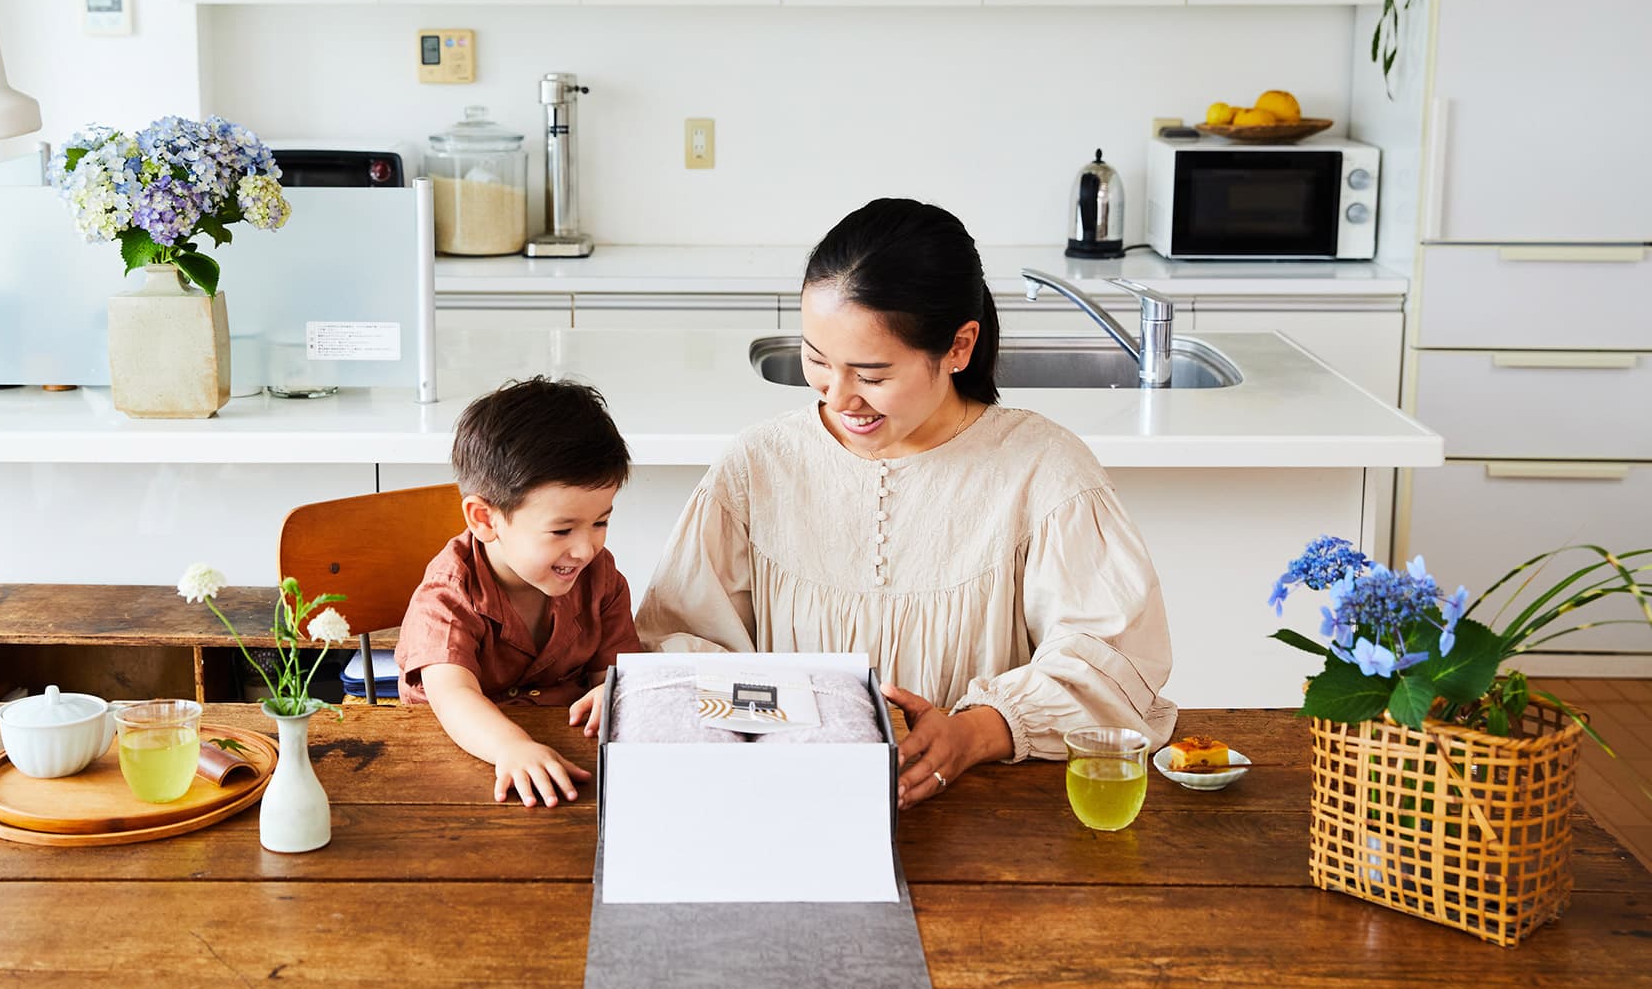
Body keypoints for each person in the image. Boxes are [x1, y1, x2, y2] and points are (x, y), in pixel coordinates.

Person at [635, 198, 1176, 808]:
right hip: (793, 803)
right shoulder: (759, 464)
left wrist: (974, 733)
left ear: (959, 347)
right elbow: (677, 642)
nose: (840, 396)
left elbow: (1112, 661)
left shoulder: (1043, 469)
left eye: (871, 375)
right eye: (816, 359)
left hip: (994, 812)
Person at [396, 377, 642, 808]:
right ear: (485, 520)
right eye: (562, 530)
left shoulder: (599, 577)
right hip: (452, 772)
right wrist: (511, 747)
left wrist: (614, 689)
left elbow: (614, 671)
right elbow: (454, 695)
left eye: (600, 522)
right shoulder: (448, 595)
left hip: (567, 769)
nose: (586, 548)